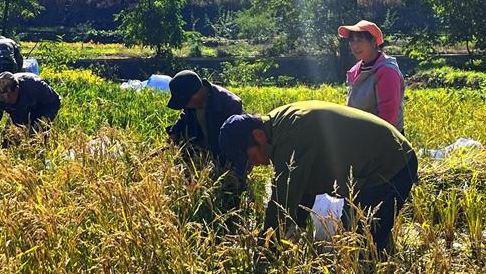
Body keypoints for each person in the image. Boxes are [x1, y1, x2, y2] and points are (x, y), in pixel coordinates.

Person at [218, 101, 419, 255]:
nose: (254, 165)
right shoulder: (278, 126)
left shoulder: (290, 135)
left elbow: (283, 200)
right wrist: (290, 231)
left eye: (250, 157)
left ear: (258, 136)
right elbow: (303, 192)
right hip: (369, 170)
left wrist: (265, 251)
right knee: (360, 239)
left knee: (360, 250)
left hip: (389, 165)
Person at [165, 69, 244, 167]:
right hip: (202, 157)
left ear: (196, 93)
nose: (186, 106)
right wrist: (173, 134)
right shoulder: (192, 104)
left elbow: (236, 144)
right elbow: (184, 119)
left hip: (224, 161)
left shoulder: (230, 104)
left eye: (186, 102)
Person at [338, 20, 405, 132]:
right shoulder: (356, 70)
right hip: (360, 136)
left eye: (360, 40)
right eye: (352, 40)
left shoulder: (387, 71)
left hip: (384, 140)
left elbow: (387, 119)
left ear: (374, 42)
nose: (355, 45)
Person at [0, 71, 61, 143]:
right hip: (16, 118)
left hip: (38, 115)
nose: (6, 101)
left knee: (38, 145)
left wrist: (42, 123)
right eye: (3, 98)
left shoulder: (35, 86)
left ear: (16, 89)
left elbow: (54, 102)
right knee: (8, 143)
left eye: (8, 96)